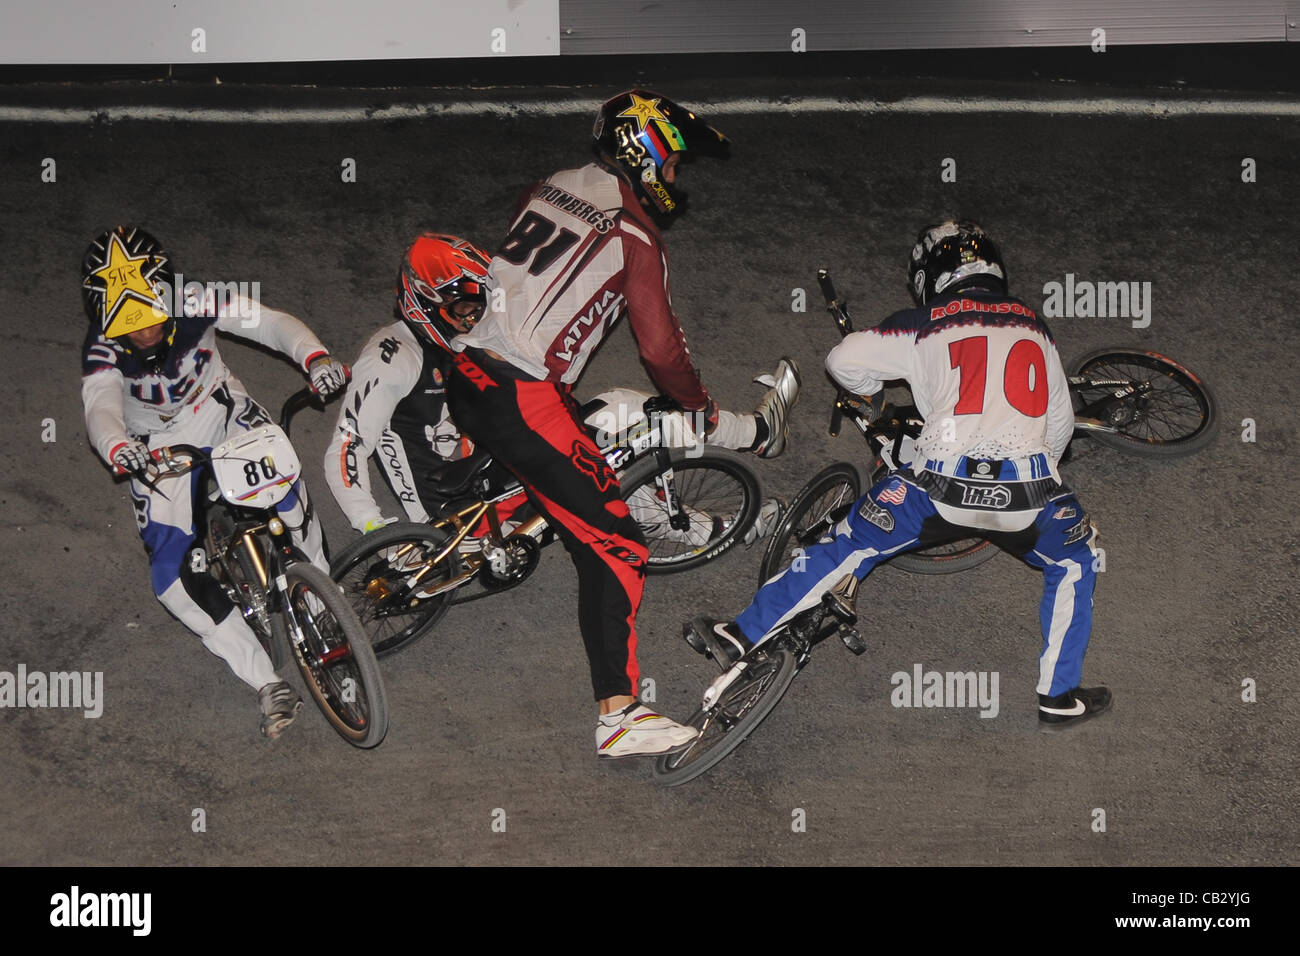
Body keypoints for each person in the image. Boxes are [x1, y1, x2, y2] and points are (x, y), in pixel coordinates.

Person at [446, 90, 799, 758]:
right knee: (615, 543)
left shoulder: (552, 185)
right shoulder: (638, 236)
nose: (673, 180)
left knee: (560, 462)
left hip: (465, 368)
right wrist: (695, 406)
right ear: (644, 157)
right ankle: (618, 714)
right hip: (523, 398)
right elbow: (662, 352)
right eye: (670, 167)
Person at [690, 220, 1110, 732]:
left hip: (938, 488)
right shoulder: (1034, 326)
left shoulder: (925, 322)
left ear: (932, 275)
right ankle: (1058, 697)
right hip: (1029, 494)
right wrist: (1040, 471)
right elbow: (1060, 425)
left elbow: (842, 360)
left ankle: (742, 633)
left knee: (846, 546)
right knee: (1076, 562)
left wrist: (872, 393)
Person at [324, 232, 798, 551]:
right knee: (624, 431)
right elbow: (345, 448)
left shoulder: (461, 339)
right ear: (423, 303)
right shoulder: (392, 357)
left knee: (617, 425)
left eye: (479, 307)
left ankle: (749, 444)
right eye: (462, 311)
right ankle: (734, 492)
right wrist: (376, 531)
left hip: (493, 472)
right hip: (468, 510)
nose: (475, 320)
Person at [79, 225, 349, 738]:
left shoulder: (197, 299)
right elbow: (100, 409)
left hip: (221, 412)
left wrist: (315, 357)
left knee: (289, 495)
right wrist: (117, 448)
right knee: (172, 578)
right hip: (154, 450)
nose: (146, 330)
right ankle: (266, 682)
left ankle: (323, 592)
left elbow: (269, 324)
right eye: (130, 321)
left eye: (154, 310)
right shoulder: (100, 349)